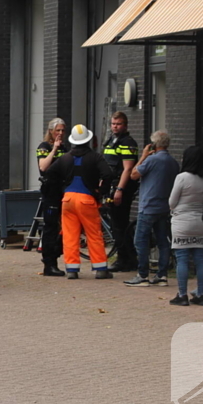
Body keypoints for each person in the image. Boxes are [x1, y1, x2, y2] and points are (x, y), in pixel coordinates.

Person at [51, 123, 114, 279]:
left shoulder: (65, 158)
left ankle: (72, 270)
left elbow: (51, 173)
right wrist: (101, 190)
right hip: (86, 200)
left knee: (70, 235)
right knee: (94, 234)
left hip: (68, 200)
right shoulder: (96, 157)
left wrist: (62, 187)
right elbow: (108, 174)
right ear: (88, 140)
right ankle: (100, 269)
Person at [124, 131, 178, 287]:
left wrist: (143, 156)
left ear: (154, 144)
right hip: (164, 207)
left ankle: (142, 275)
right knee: (162, 241)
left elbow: (133, 174)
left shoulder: (151, 160)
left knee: (140, 240)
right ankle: (162, 275)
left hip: (148, 207)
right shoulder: (173, 162)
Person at [168, 146, 203, 306]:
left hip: (182, 223)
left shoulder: (182, 177)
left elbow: (172, 202)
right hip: (200, 223)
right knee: (200, 260)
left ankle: (182, 295)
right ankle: (200, 295)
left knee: (182, 259)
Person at [101, 112, 139, 272]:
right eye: (113, 124)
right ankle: (127, 257)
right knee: (116, 224)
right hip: (111, 186)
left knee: (119, 224)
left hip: (120, 188)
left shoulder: (127, 142)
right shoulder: (111, 141)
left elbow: (128, 169)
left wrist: (119, 190)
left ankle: (126, 259)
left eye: (119, 124)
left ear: (125, 125)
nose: (115, 126)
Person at [36, 118, 69, 276]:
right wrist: (54, 149)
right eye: (58, 130)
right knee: (50, 228)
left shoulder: (66, 147)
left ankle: (57, 256)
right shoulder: (44, 147)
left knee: (64, 228)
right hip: (50, 192)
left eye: (63, 130)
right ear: (50, 131)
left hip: (64, 191)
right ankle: (49, 264)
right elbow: (42, 167)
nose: (60, 134)